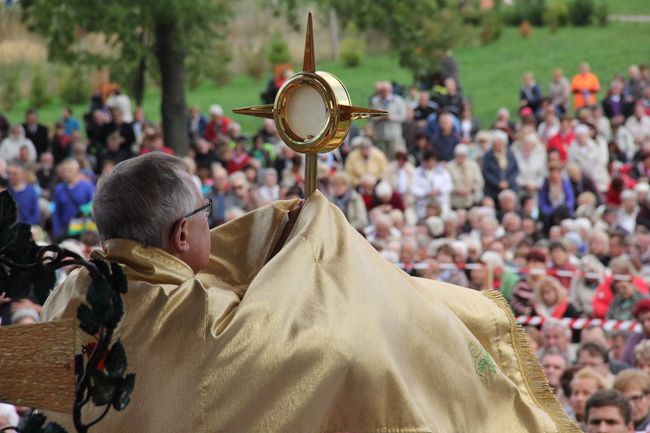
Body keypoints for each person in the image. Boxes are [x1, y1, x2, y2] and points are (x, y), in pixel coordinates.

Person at [42, 152, 576, 432]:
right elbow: (320, 339)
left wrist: (276, 229)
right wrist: (317, 234)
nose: (216, 224)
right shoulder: (207, 320)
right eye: (207, 215)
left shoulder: (68, 296)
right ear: (183, 233)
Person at [51, 158, 95, 240]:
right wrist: (57, 231)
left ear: (77, 171)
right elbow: (57, 212)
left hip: (83, 231)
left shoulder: (87, 187)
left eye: (69, 170)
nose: (66, 174)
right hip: (66, 231)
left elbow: (94, 206)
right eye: (64, 171)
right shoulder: (59, 189)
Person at [369, 81, 407, 159]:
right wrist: (381, 117)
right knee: (381, 157)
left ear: (391, 90)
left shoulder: (398, 101)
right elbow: (371, 116)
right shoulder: (375, 101)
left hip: (394, 134)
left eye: (386, 90)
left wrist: (391, 117)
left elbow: (403, 116)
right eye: (382, 90)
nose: (384, 92)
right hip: (380, 134)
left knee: (394, 156)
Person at [411, 150, 453, 218]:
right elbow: (414, 188)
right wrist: (426, 193)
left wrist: (439, 191)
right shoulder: (417, 172)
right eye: (429, 161)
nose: (431, 163)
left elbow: (449, 186)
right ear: (424, 161)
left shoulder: (443, 171)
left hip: (440, 203)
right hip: (424, 205)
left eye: (433, 161)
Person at [481, 130, 519, 204]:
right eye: (496, 143)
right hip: (493, 189)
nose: (498, 145)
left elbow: (515, 170)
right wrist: (498, 183)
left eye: (500, 142)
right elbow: (486, 172)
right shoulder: (488, 156)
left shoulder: (510, 154)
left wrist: (508, 182)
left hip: (510, 187)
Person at [447, 144, 484, 210]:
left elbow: (479, 181)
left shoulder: (473, 165)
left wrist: (471, 189)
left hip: (471, 200)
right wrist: (457, 190)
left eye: (462, 155)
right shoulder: (449, 167)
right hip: (455, 201)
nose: (460, 158)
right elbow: (446, 184)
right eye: (458, 155)